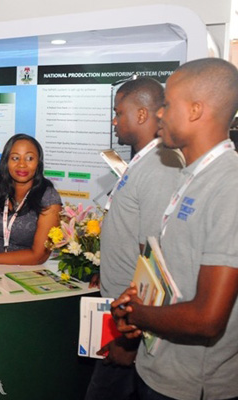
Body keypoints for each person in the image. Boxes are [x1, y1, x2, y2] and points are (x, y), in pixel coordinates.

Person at [112, 58, 238, 400]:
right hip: (159, 368)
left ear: (196, 110)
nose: (159, 113)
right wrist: (136, 303)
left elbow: (208, 318)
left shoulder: (229, 185)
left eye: (167, 104)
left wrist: (137, 314)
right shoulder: (191, 176)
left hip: (191, 385)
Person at [85, 78, 183, 400]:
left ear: (141, 114)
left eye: (118, 113)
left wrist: (129, 341)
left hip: (134, 326)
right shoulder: (144, 162)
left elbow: (155, 262)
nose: (114, 121)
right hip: (125, 317)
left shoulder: (160, 167)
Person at [0, 133, 62, 265]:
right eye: (15, 158)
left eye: (29, 158)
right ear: (6, 162)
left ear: (38, 163)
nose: (22, 164)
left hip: (22, 270)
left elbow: (39, 255)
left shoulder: (49, 198)